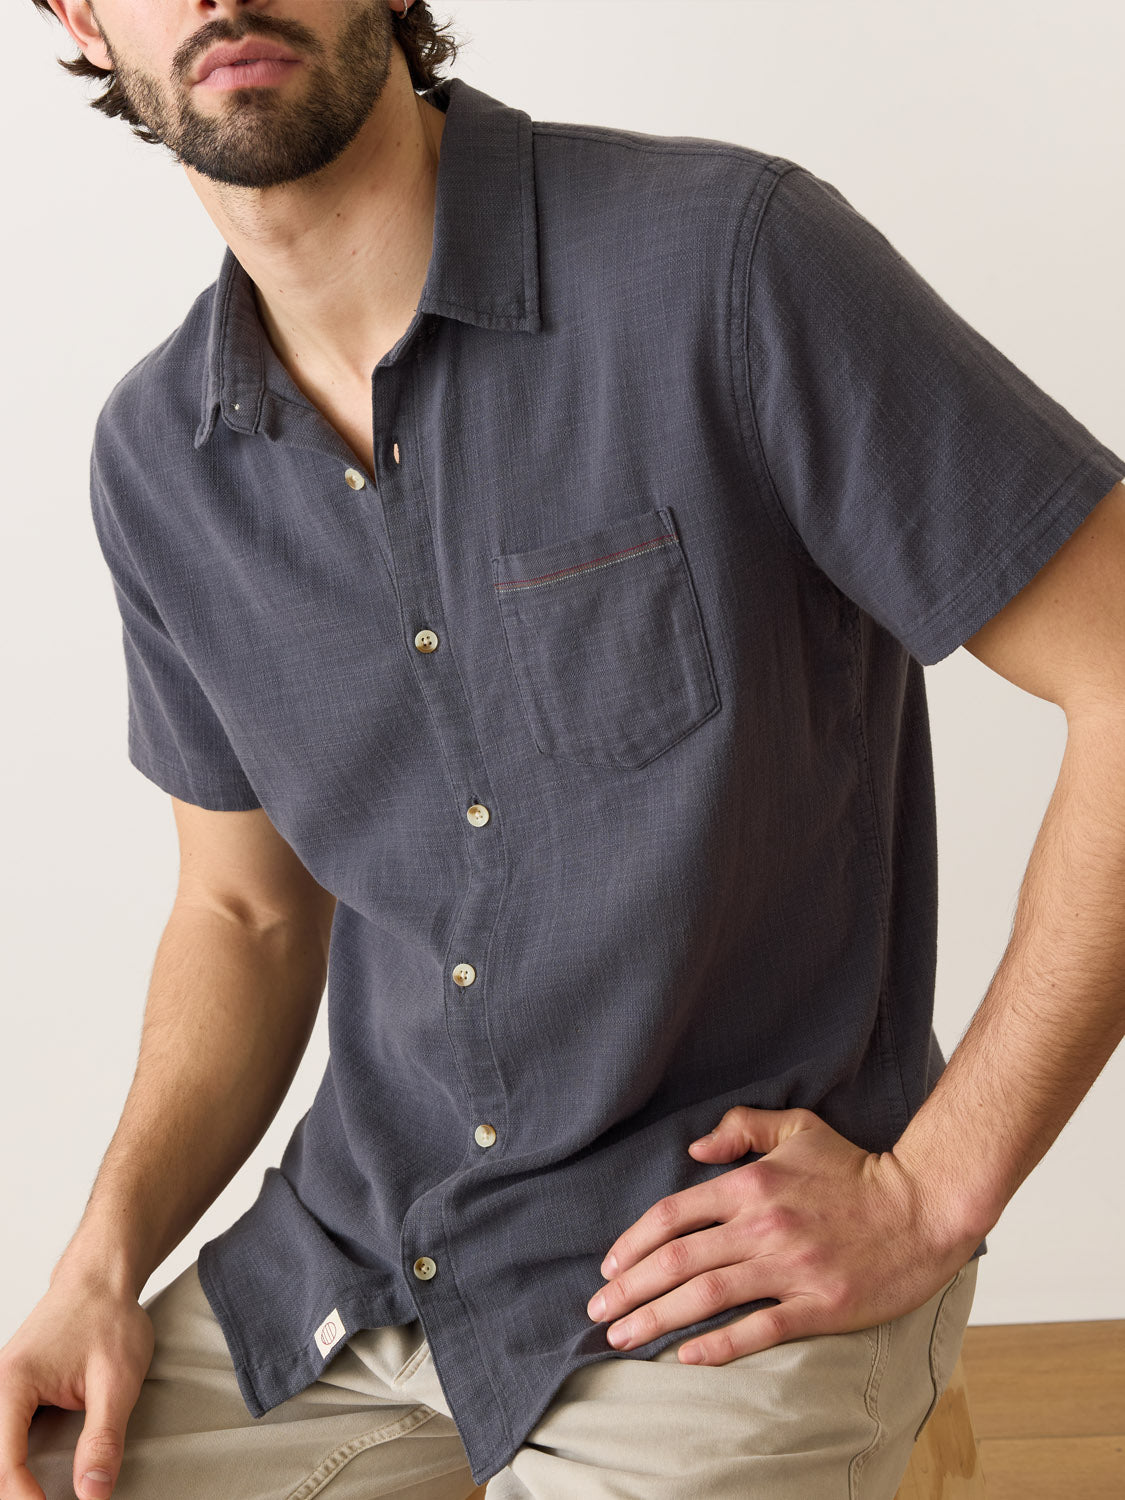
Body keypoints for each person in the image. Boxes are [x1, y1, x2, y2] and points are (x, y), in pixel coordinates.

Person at [4, 1, 1124, 1497]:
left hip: (717, 1265)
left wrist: (930, 1194)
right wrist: (98, 1260)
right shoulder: (159, 457)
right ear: (80, 18)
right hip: (363, 1259)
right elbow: (243, 912)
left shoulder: (728, 263)